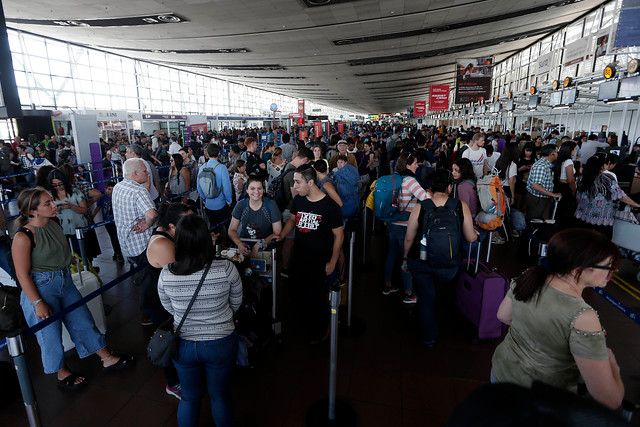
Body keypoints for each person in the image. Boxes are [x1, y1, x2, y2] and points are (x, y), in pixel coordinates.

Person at [13, 189, 134, 390]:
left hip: (64, 280)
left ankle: (106, 357)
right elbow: (22, 275)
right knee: (49, 334)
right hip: (41, 287)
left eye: (51, 201)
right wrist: (37, 302)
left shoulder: (53, 224)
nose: (54, 205)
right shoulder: (23, 236)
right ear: (32, 211)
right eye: (47, 203)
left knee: (82, 320)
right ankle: (61, 372)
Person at [491, 229, 625, 410]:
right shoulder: (583, 316)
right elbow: (609, 399)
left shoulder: (531, 276)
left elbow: (503, 316)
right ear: (579, 269)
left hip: (501, 374)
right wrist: (614, 367)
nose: (613, 272)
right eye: (608, 266)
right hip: (538, 401)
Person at [158, 214, 242, 427]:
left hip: (184, 343)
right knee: (219, 396)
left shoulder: (167, 273)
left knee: (189, 396)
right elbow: (236, 302)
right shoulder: (226, 269)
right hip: (221, 340)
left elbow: (168, 306)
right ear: (208, 240)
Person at [403, 170, 477, 346]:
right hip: (450, 264)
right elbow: (470, 237)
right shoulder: (460, 206)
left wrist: (405, 258)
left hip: (421, 262)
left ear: (429, 188)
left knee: (426, 297)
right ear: (449, 187)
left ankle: (428, 337)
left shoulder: (421, 207)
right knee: (440, 295)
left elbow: (409, 237)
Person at [275, 164, 343, 343]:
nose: (294, 186)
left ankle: (322, 328)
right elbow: (292, 220)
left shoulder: (329, 206)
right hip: (300, 257)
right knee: (295, 290)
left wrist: (333, 261)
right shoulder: (299, 200)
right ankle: (306, 322)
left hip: (320, 260)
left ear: (311, 182)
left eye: (298, 182)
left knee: (319, 296)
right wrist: (281, 234)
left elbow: (339, 236)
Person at [145, 202, 191, 400]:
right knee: (169, 341)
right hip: (159, 301)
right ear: (172, 226)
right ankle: (173, 383)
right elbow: (180, 274)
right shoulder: (162, 244)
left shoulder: (170, 233)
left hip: (165, 296)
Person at [113, 158, 158, 324]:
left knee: (142, 274)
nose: (147, 173)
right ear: (135, 173)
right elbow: (152, 214)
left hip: (126, 242)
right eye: (144, 171)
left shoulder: (119, 186)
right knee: (149, 278)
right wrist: (147, 223)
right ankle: (148, 314)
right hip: (141, 244)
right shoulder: (138, 191)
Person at [382, 152, 429, 303]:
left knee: (391, 255)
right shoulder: (411, 181)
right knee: (406, 258)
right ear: (408, 166)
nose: (417, 166)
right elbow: (425, 199)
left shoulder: (395, 179)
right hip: (405, 226)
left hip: (392, 222)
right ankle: (409, 293)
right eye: (415, 163)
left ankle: (387, 285)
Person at [574, 155, 640, 238]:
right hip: (601, 217)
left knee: (585, 239)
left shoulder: (582, 177)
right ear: (603, 165)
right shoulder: (606, 178)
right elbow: (620, 196)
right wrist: (636, 205)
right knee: (603, 242)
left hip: (582, 213)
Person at [228, 176, 282, 257]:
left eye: (259, 188)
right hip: (245, 245)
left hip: (266, 246)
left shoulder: (270, 205)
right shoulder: (241, 205)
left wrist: (259, 245)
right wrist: (239, 243)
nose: (256, 192)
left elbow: (277, 232)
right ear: (247, 190)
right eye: (252, 188)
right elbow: (232, 230)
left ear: (263, 190)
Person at [197, 144, 233, 228]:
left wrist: (204, 198)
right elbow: (226, 187)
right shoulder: (222, 168)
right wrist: (229, 201)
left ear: (207, 154)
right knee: (227, 226)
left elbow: (199, 186)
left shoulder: (202, 167)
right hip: (221, 204)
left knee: (213, 228)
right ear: (219, 153)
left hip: (208, 205)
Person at [525, 144, 561, 222]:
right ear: (552, 154)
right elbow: (535, 186)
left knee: (538, 219)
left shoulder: (547, 164)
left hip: (541, 197)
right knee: (534, 221)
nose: (558, 154)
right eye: (557, 152)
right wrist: (553, 194)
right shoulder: (541, 166)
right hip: (537, 199)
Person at [93, 182, 123, 263]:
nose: (111, 191)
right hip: (107, 222)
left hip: (118, 221)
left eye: (113, 189)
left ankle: (119, 252)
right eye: (109, 189)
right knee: (113, 237)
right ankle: (117, 252)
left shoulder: (118, 197)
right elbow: (98, 207)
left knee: (117, 237)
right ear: (105, 189)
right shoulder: (103, 198)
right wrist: (92, 216)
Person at [554, 141, 578, 227]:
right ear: (570, 150)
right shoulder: (569, 161)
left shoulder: (560, 160)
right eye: (575, 148)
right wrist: (576, 193)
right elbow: (571, 180)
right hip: (566, 189)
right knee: (566, 212)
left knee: (560, 211)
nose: (576, 150)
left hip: (559, 186)